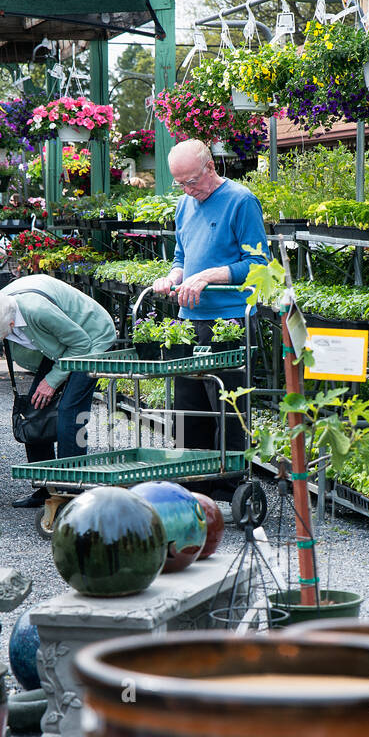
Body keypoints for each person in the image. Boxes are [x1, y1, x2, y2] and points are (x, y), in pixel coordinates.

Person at [0, 273, 117, 507]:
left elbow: (82, 343)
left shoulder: (35, 311)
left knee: (69, 411)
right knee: (33, 410)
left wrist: (53, 380)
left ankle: (70, 490)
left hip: (92, 337)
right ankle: (46, 488)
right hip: (63, 346)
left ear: (10, 326)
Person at [151, 139, 268, 505]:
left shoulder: (241, 200)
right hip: (189, 319)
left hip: (228, 319)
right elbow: (182, 256)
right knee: (189, 411)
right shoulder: (185, 205)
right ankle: (194, 490)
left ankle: (232, 487)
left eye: (191, 181)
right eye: (180, 183)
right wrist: (172, 277)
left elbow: (259, 265)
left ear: (211, 168)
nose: (188, 190)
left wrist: (209, 276)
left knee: (229, 409)